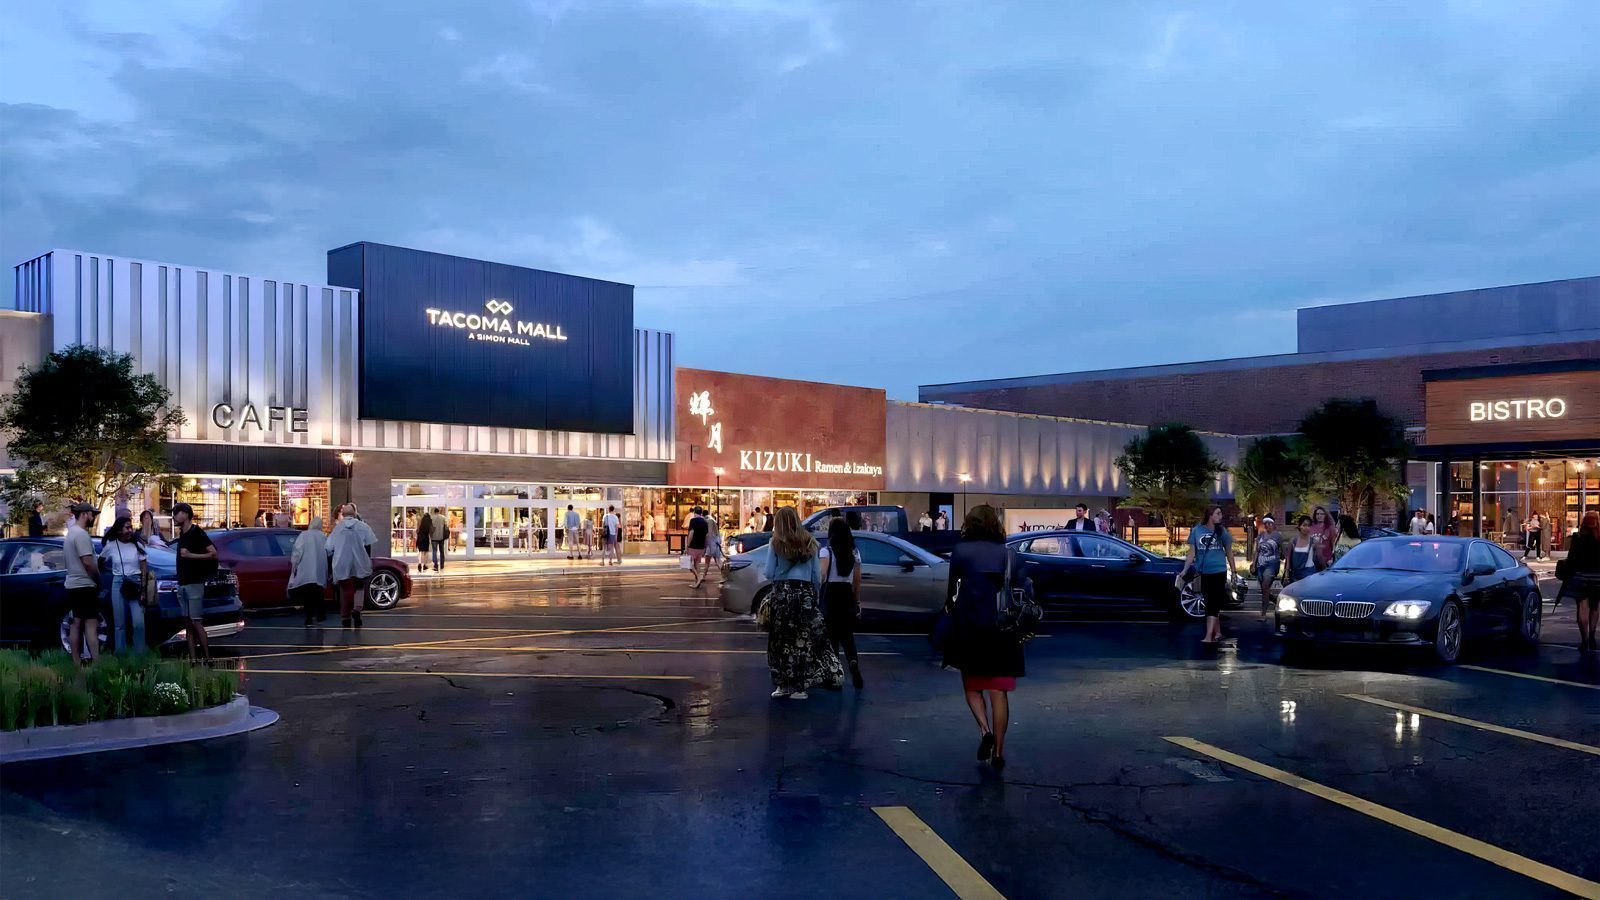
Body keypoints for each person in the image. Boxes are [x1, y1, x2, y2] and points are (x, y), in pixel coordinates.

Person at [943, 504, 1023, 770]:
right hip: (1002, 628)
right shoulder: (1008, 553)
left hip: (970, 626)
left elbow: (953, 589)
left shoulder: (961, 551)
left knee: (972, 685)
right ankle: (999, 752)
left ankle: (984, 729)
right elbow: (1019, 588)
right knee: (999, 691)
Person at [764, 507, 841, 699]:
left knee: (780, 641)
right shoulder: (811, 542)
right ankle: (800, 688)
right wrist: (813, 596)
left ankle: (782, 685)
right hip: (805, 593)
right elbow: (817, 576)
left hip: (782, 594)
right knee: (802, 642)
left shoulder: (775, 543)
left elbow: (768, 572)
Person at [1180, 506, 1236, 645]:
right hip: (1204, 571)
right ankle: (1217, 632)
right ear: (1210, 515)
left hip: (1219, 571)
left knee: (1213, 603)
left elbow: (1229, 551)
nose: (1220, 516)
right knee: (1209, 602)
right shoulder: (1197, 530)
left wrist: (1234, 572)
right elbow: (1192, 553)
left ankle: (1208, 636)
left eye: (1221, 513)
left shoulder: (1221, 531)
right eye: (1218, 513)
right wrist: (1185, 570)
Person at [819, 516, 864, 688]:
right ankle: (853, 663)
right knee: (847, 636)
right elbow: (857, 581)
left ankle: (835, 675)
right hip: (846, 595)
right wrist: (857, 601)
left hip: (831, 594)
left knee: (831, 638)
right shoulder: (854, 553)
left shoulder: (826, 552)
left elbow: (822, 576)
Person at [171, 502, 216, 662]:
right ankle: (193, 659)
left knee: (196, 621)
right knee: (187, 623)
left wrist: (191, 555)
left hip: (195, 583)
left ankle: (207, 657)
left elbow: (213, 554)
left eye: (177, 513)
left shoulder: (197, 532)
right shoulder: (182, 534)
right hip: (182, 582)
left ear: (185, 514)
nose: (174, 516)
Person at [99, 516, 148, 653]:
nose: (130, 530)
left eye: (130, 527)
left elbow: (144, 568)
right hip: (118, 581)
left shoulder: (137, 545)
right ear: (119, 530)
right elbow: (100, 562)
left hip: (135, 582)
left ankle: (140, 652)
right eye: (127, 527)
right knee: (119, 623)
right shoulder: (111, 546)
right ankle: (120, 652)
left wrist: (143, 590)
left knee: (138, 622)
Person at [62, 503, 102, 663]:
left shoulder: (71, 533)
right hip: (85, 584)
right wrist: (98, 579)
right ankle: (97, 662)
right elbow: (87, 562)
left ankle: (76, 662)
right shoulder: (81, 535)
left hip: (72, 585)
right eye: (92, 514)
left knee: (75, 623)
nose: (93, 518)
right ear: (85, 514)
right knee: (91, 624)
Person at [329, 503, 374, 628]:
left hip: (342, 563)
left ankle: (345, 616)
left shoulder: (338, 529)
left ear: (343, 514)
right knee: (359, 587)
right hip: (359, 562)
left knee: (345, 589)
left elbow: (329, 547)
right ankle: (357, 610)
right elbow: (368, 545)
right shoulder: (364, 527)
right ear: (355, 513)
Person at [1560, 510, 1600, 652]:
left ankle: (1584, 640)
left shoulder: (1577, 537)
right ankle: (1592, 636)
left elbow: (1572, 558)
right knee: (1595, 607)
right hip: (1597, 577)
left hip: (1580, 576)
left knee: (1582, 608)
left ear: (1584, 522)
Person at [290, 516, 330, 625]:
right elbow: (329, 551)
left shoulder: (303, 535)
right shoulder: (323, 536)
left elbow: (297, 552)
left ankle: (309, 617)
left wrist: (294, 565)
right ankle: (320, 615)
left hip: (306, 569)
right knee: (319, 593)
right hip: (320, 569)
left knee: (307, 595)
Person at [1253, 515, 1282, 620]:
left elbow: (1281, 551)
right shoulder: (1260, 536)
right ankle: (1274, 599)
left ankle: (1263, 613)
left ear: (1273, 524)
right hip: (1261, 564)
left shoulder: (1277, 536)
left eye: (1270, 523)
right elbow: (1256, 551)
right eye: (1266, 523)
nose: (1268, 525)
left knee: (1265, 586)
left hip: (1272, 564)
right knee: (1264, 589)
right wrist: (1253, 563)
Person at [1282, 516, 1321, 584]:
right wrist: (1286, 575)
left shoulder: (1314, 541)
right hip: (1295, 574)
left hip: (1309, 573)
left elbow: (1320, 558)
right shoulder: (1293, 541)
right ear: (1299, 526)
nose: (1306, 528)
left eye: (1308, 525)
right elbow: (1288, 559)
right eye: (1304, 525)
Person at [686, 507, 710, 587]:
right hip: (701, 546)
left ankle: (698, 578)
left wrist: (687, 545)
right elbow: (707, 536)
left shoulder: (693, 521)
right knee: (697, 564)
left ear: (694, 512)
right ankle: (697, 582)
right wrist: (705, 547)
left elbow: (691, 533)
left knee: (689, 564)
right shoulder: (705, 522)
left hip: (693, 545)